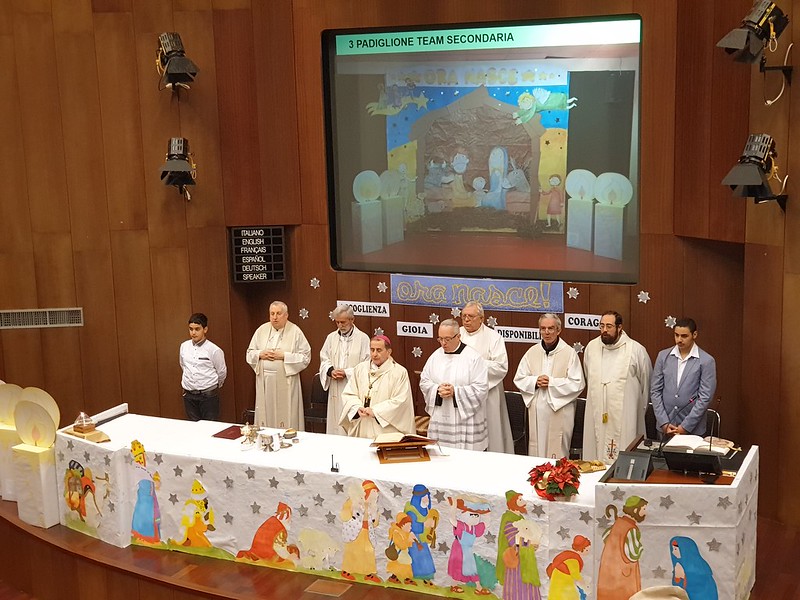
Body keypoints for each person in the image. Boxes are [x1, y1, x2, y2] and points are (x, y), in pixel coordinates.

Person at [582, 311, 652, 463]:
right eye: (601, 326)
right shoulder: (591, 348)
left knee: (625, 451)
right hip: (597, 411)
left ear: (619, 327)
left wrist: (638, 409)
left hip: (626, 414)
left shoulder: (636, 350)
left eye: (609, 326)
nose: (604, 330)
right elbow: (588, 374)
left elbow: (646, 383)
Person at [513, 314, 584, 458]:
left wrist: (552, 383)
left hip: (559, 410)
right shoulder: (532, 352)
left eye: (551, 328)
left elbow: (577, 383)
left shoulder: (569, 353)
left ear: (558, 330)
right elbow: (519, 378)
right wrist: (535, 381)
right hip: (537, 411)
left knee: (557, 452)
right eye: (543, 328)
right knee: (536, 452)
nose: (546, 332)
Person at [420, 319, 489, 450]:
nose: (443, 343)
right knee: (440, 455)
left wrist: (455, 392)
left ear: (458, 336)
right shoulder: (435, 356)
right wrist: (437, 389)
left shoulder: (473, 358)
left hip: (465, 421)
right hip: (441, 417)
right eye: (440, 339)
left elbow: (481, 388)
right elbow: (424, 381)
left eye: (447, 339)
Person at [245, 301, 311, 430]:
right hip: (265, 383)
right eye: (272, 314)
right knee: (266, 414)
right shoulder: (261, 330)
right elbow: (249, 353)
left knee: (286, 415)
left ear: (286, 315)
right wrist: (260, 354)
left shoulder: (295, 331)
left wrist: (285, 356)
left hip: (286, 382)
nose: (275, 317)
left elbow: (305, 357)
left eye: (278, 313)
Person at [459, 302, 514, 453]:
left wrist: (475, 363)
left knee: (491, 434)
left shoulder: (494, 337)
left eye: (471, 316)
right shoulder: (456, 335)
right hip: (463, 394)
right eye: (463, 316)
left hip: (488, 394)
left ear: (481, 318)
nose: (466, 320)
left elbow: (501, 367)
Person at [339, 335, 415, 438]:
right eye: (372, 350)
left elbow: (401, 401)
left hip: (385, 431)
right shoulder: (360, 369)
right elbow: (349, 393)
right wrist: (357, 407)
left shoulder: (399, 372)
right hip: (362, 425)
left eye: (379, 350)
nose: (374, 354)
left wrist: (376, 411)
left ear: (389, 352)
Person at [650, 318, 717, 437]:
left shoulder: (706, 361)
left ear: (694, 335)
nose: (679, 340)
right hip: (665, 428)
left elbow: (705, 397)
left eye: (684, 336)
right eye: (676, 335)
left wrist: (685, 426)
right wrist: (664, 422)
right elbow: (655, 391)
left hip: (693, 430)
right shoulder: (663, 356)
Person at [319, 304, 370, 435]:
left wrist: (347, 372)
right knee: (335, 423)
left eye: (343, 322)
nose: (340, 325)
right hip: (335, 386)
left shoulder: (363, 338)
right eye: (337, 322)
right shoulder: (331, 337)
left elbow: (367, 364)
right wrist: (330, 371)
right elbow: (324, 358)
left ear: (352, 320)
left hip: (353, 385)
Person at [597, 496, 648, 600]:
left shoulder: (618, 523)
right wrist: (640, 548)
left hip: (609, 570)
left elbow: (605, 536)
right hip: (624, 575)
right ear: (635, 510)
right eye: (643, 509)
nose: (645, 512)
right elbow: (633, 554)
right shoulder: (631, 528)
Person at [179, 313, 227, 421]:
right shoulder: (184, 346)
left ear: (205, 329)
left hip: (208, 395)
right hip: (189, 394)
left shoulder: (214, 350)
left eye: (197, 329)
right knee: (193, 427)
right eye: (191, 329)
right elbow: (183, 365)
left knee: (210, 427)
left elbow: (221, 372)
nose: (193, 333)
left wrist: (213, 386)